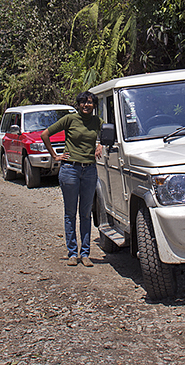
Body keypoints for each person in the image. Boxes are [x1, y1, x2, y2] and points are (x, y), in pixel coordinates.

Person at [41, 91, 103, 267]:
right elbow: (45, 134)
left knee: (86, 213)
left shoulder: (97, 122)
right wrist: (55, 155)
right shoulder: (70, 119)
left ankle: (85, 254)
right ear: (78, 104)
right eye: (83, 102)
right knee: (70, 213)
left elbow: (109, 134)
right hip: (70, 170)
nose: (86, 105)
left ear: (94, 105)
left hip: (90, 170)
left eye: (90, 102)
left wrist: (101, 144)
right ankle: (72, 253)